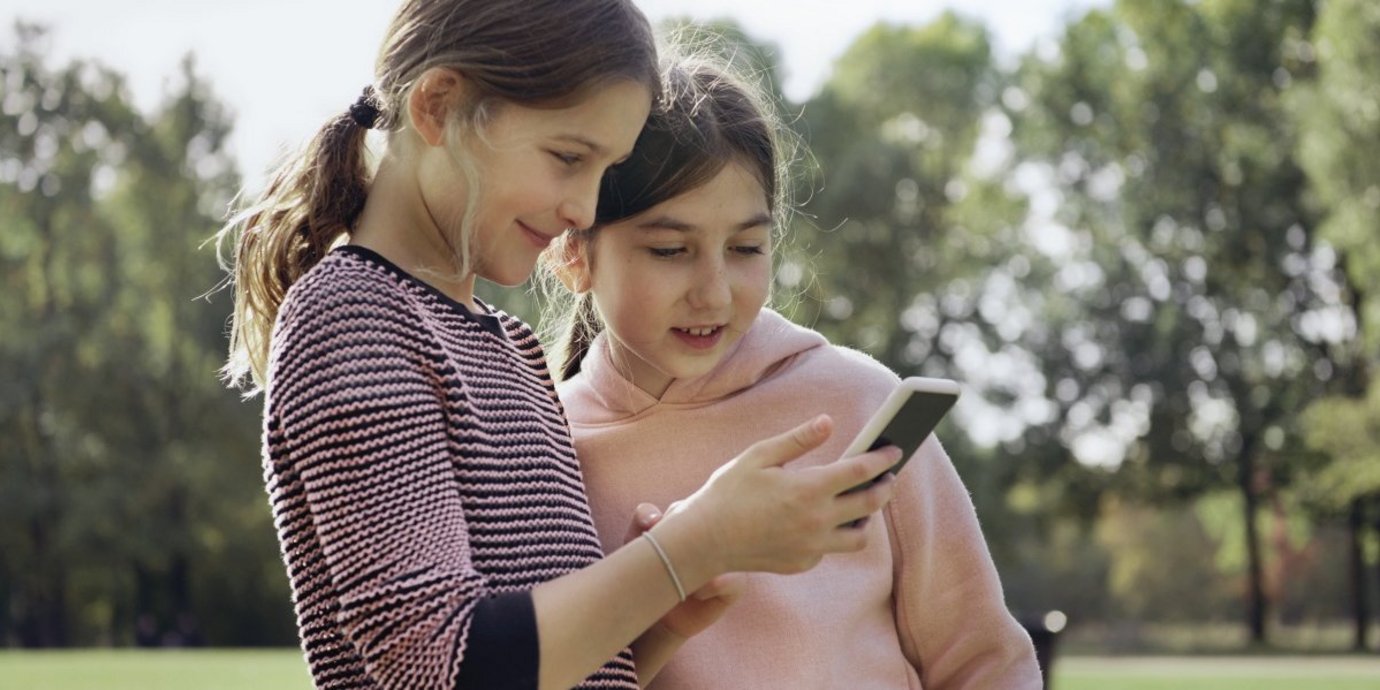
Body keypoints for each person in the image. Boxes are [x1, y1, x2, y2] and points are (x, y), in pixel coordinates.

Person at [214, 2, 900, 689]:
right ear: (438, 106)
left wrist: (661, 617)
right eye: (569, 158)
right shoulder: (353, 316)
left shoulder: (510, 345)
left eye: (605, 170)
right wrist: (687, 549)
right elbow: (435, 665)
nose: (584, 209)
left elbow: (544, 672)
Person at [544, 55, 1044, 689]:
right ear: (573, 255)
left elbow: (986, 661)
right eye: (670, 250)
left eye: (746, 248)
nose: (714, 292)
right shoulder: (547, 448)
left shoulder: (857, 401)